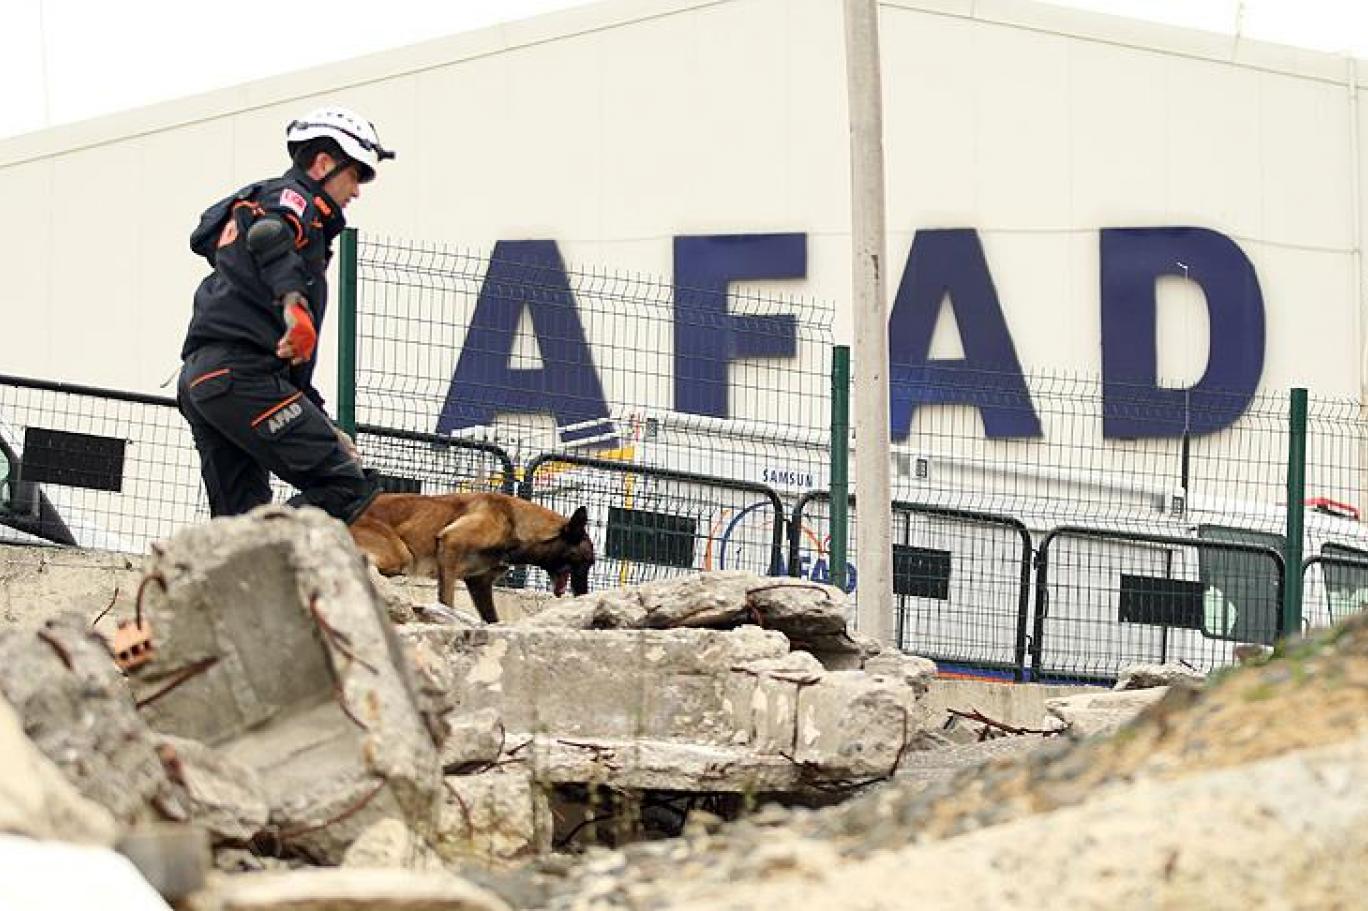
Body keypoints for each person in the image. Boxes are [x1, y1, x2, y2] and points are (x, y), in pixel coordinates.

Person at [177, 105, 394, 524]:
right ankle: (267, 548)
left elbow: (290, 367)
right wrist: (296, 304)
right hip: (241, 376)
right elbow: (270, 233)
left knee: (239, 520)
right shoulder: (292, 200)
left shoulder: (269, 209)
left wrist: (324, 424)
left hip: (205, 381)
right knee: (345, 485)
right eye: (356, 175)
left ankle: (231, 574)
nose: (358, 190)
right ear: (324, 163)